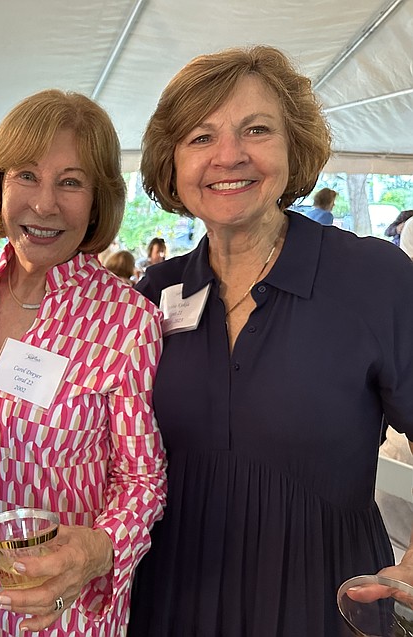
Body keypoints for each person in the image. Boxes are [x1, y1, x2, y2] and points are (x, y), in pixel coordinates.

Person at [127, 45, 413, 636]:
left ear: (293, 146)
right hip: (173, 601)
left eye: (256, 130)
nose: (229, 156)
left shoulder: (372, 279)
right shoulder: (154, 293)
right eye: (200, 138)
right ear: (172, 163)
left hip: (320, 601)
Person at [0, 89, 166, 636]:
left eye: (72, 181)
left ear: (99, 198)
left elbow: (143, 479)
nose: (44, 203)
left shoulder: (128, 322)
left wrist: (99, 550)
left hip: (61, 607)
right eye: (26, 176)